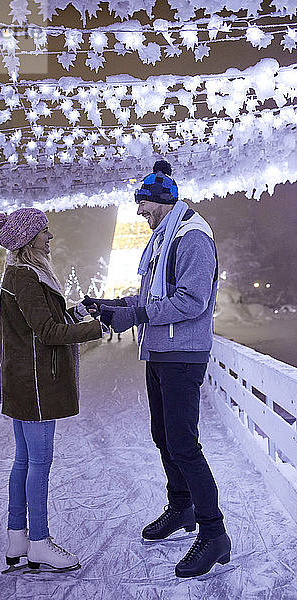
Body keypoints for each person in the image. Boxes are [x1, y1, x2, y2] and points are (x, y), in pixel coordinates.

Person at [83, 162, 231, 578]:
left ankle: (214, 532)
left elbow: (192, 301)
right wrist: (117, 306)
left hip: (183, 354)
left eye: (143, 205)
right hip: (160, 352)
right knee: (163, 436)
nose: (140, 213)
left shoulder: (193, 237)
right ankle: (181, 505)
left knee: (184, 442)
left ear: (162, 201)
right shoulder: (163, 239)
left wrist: (139, 314)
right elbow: (152, 295)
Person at [0, 208, 103, 573]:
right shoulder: (26, 276)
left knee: (23, 460)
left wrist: (77, 312)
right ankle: (39, 541)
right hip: (36, 383)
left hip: (24, 380)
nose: (49, 238)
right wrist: (96, 329)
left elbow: (45, 322)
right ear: (28, 239)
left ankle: (17, 537)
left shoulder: (22, 274)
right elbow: (49, 334)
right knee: (38, 463)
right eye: (44, 232)